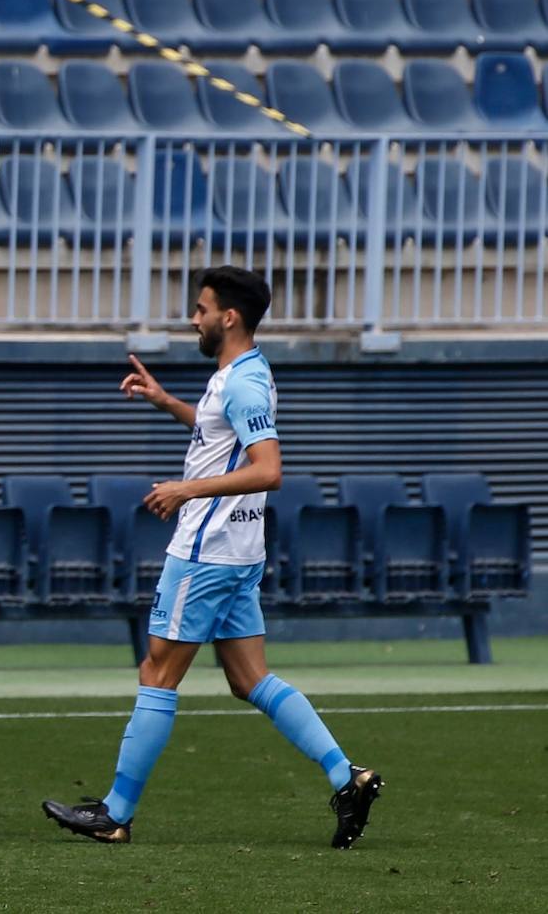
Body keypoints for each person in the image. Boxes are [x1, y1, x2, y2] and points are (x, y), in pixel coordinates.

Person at [41, 266, 382, 849]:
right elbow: (219, 438)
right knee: (250, 679)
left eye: (200, 309)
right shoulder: (244, 373)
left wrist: (183, 489)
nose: (192, 318)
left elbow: (268, 469)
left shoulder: (242, 382)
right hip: (240, 552)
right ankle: (346, 776)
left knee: (157, 673)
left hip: (205, 553)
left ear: (229, 316)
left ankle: (116, 813)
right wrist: (165, 401)